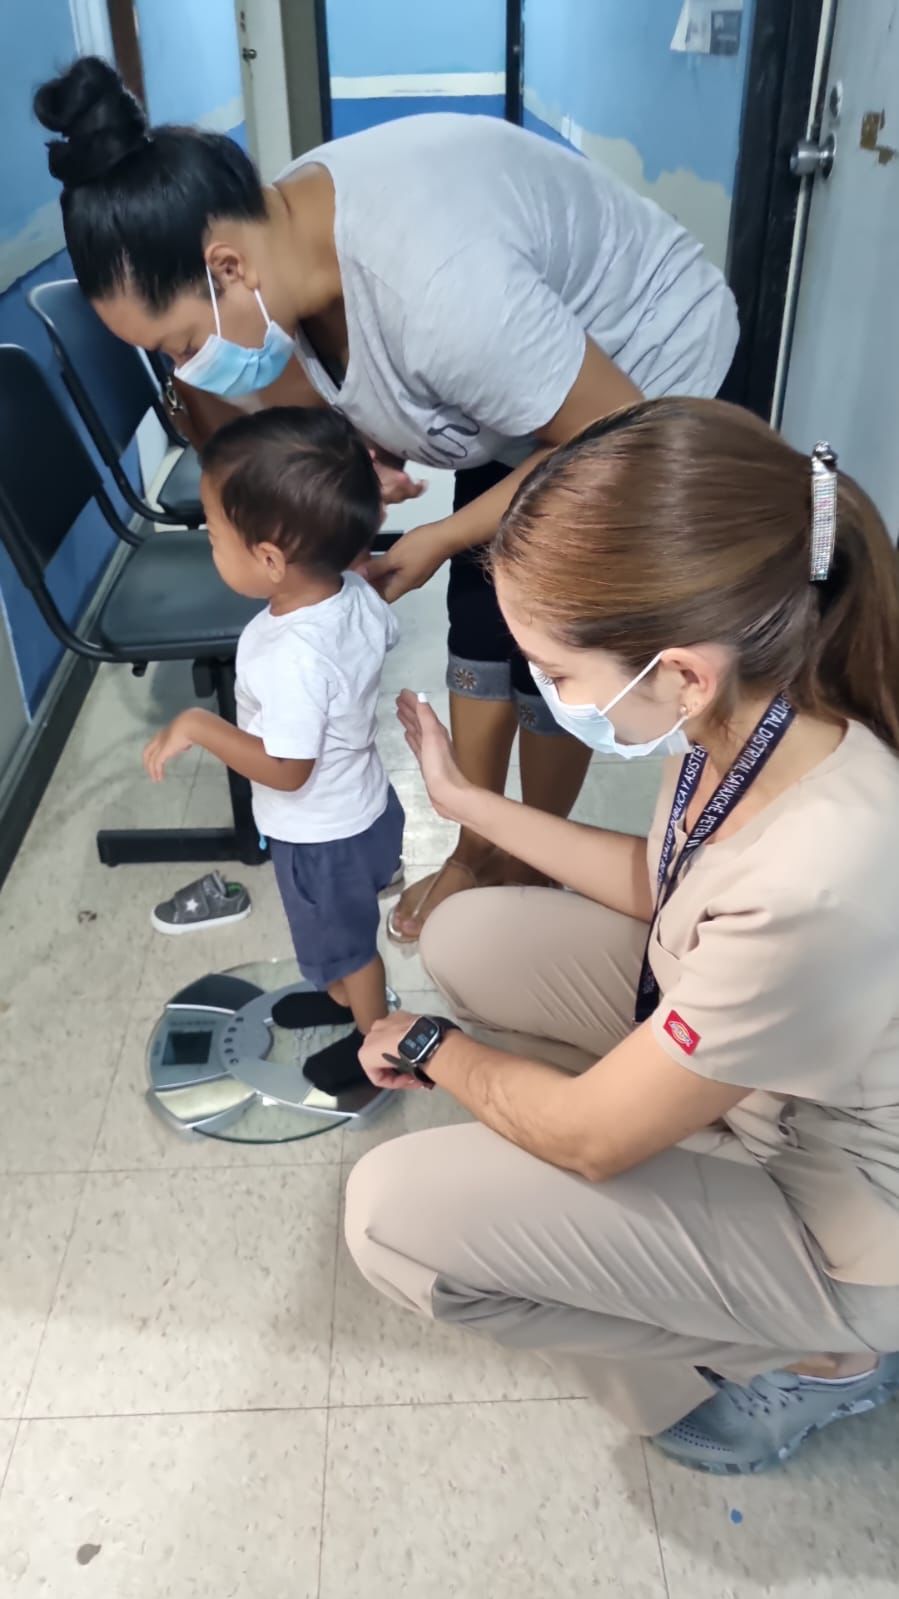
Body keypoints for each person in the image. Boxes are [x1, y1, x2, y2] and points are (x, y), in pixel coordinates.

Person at [35, 56, 738, 946]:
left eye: (179, 343)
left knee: (556, 642)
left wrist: (442, 533)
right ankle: (479, 845)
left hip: (640, 390)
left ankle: (530, 853)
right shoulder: (287, 234)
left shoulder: (438, 285)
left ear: (225, 265)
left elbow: (607, 430)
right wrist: (372, 447)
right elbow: (359, 366)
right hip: (525, 402)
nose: (186, 372)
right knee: (482, 617)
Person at [344, 397, 899, 1475]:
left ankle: (822, 1357)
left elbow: (590, 1136)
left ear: (678, 670)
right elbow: (669, 881)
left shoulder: (823, 867)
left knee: (391, 1218)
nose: (549, 695)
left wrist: (425, 1048)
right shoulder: (751, 710)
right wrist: (470, 809)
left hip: (843, 1214)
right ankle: (688, 1174)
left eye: (557, 676)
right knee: (465, 936)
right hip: (758, 1051)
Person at [142, 408, 403, 1052]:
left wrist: (203, 723)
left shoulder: (292, 656)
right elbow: (378, 639)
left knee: (351, 950)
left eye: (213, 538)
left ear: (269, 558)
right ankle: (340, 996)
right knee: (341, 934)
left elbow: (289, 770)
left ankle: (376, 1044)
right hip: (365, 808)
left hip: (321, 836)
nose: (209, 546)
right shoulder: (351, 591)